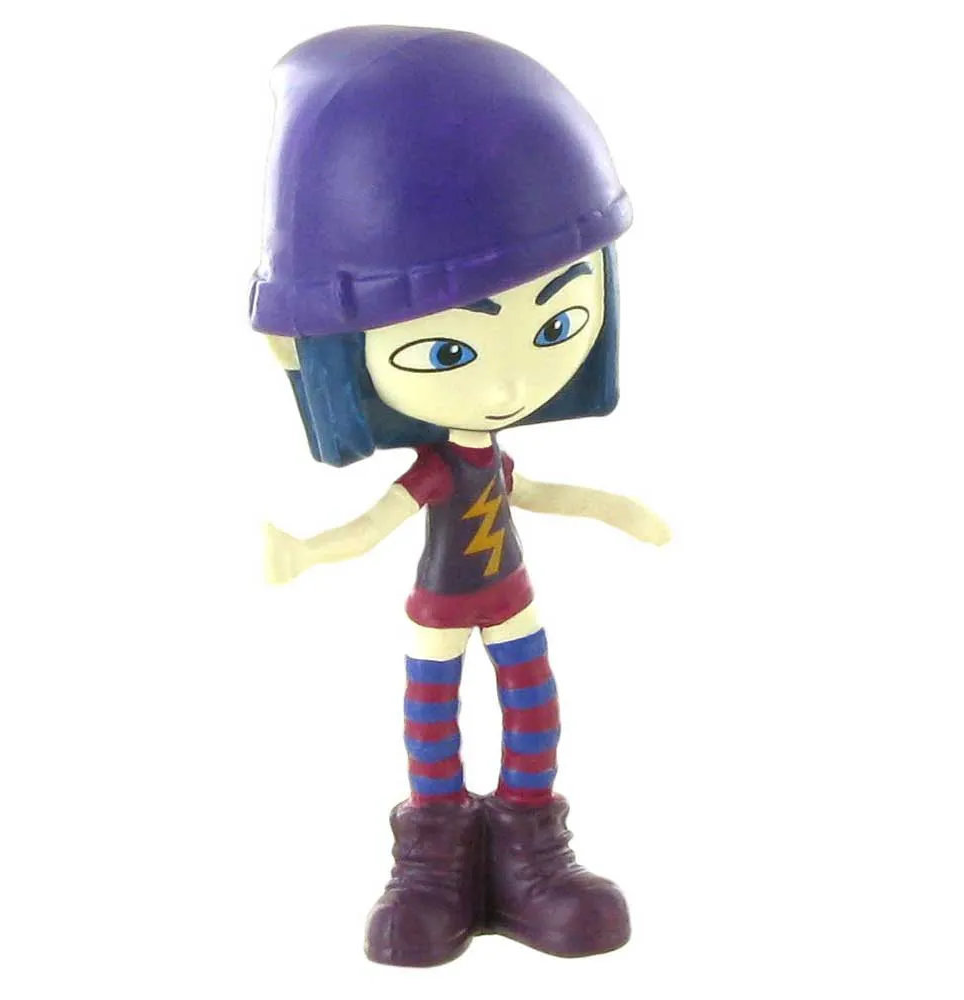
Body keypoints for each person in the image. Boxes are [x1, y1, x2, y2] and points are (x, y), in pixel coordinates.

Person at [250, 25, 670, 966]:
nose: (505, 385)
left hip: (511, 597)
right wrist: (308, 551)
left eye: (557, 321)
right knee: (432, 721)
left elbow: (542, 493)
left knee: (533, 708)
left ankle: (531, 842)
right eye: (445, 350)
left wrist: (623, 512)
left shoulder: (493, 461)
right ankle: (434, 854)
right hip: (439, 606)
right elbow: (377, 523)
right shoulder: (438, 471)